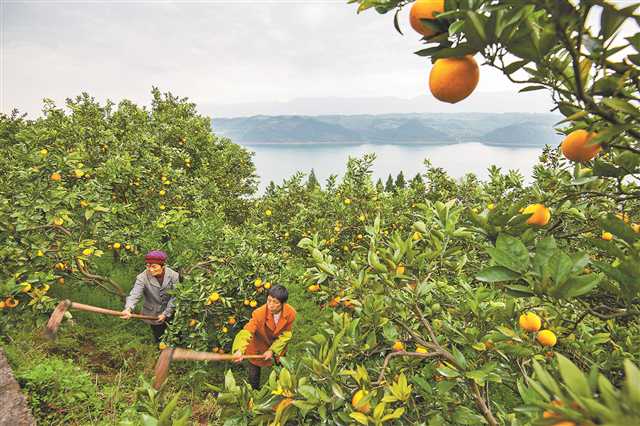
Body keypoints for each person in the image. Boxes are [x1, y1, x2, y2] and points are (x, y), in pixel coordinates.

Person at [232, 285, 296, 389]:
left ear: (283, 304)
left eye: (275, 302)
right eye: (269, 300)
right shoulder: (259, 314)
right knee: (254, 374)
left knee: (281, 370)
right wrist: (239, 349)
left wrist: (272, 350)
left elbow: (286, 335)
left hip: (278, 346)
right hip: (258, 346)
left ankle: (282, 389)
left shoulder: (290, 313)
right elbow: (247, 331)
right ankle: (254, 394)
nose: (271, 305)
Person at [121, 250, 179, 343]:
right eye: (148, 266)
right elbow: (135, 294)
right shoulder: (142, 277)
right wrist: (128, 308)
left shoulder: (174, 276)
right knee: (159, 337)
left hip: (172, 310)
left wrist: (166, 313)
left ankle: (176, 352)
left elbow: (175, 296)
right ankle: (162, 352)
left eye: (154, 266)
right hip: (153, 313)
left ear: (163, 266)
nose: (150, 269)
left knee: (176, 334)